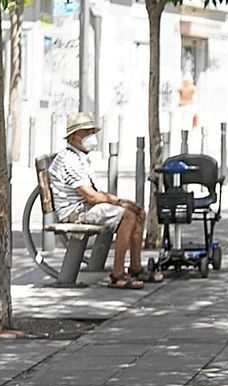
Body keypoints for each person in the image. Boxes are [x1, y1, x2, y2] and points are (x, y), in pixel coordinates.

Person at [48, 113, 163, 289]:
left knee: (138, 212)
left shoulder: (80, 158)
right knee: (128, 216)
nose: (90, 136)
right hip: (76, 212)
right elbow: (90, 196)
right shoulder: (69, 159)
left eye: (91, 132)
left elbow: (94, 193)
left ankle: (135, 267)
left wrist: (120, 201)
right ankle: (117, 274)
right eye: (85, 132)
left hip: (85, 207)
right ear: (73, 137)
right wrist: (120, 203)